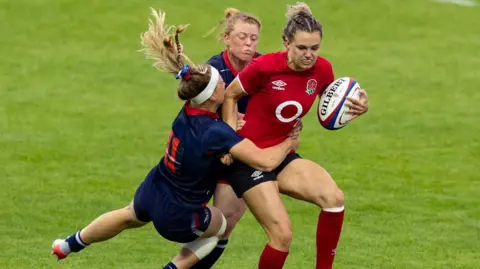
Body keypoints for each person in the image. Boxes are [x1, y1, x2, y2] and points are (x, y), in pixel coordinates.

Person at [50, 8, 300, 269]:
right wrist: (288, 143)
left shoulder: (189, 112)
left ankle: (66, 245)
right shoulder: (215, 132)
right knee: (222, 226)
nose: (226, 88)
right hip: (179, 213)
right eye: (220, 86)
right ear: (213, 97)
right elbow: (264, 161)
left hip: (156, 186)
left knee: (128, 216)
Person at [221, 3, 369, 269]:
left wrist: (354, 106)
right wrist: (229, 138)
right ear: (286, 42)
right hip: (250, 160)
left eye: (314, 48)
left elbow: (329, 108)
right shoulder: (264, 66)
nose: (309, 55)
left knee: (333, 199)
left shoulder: (323, 70)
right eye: (302, 48)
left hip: (283, 155)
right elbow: (230, 95)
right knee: (282, 236)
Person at [189, 8, 262, 269]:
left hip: (244, 155)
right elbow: (194, 118)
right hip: (209, 154)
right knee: (189, 222)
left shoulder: (264, 68)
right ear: (227, 38)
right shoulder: (213, 73)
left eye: (253, 38)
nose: (248, 43)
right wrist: (224, 125)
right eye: (242, 37)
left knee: (224, 224)